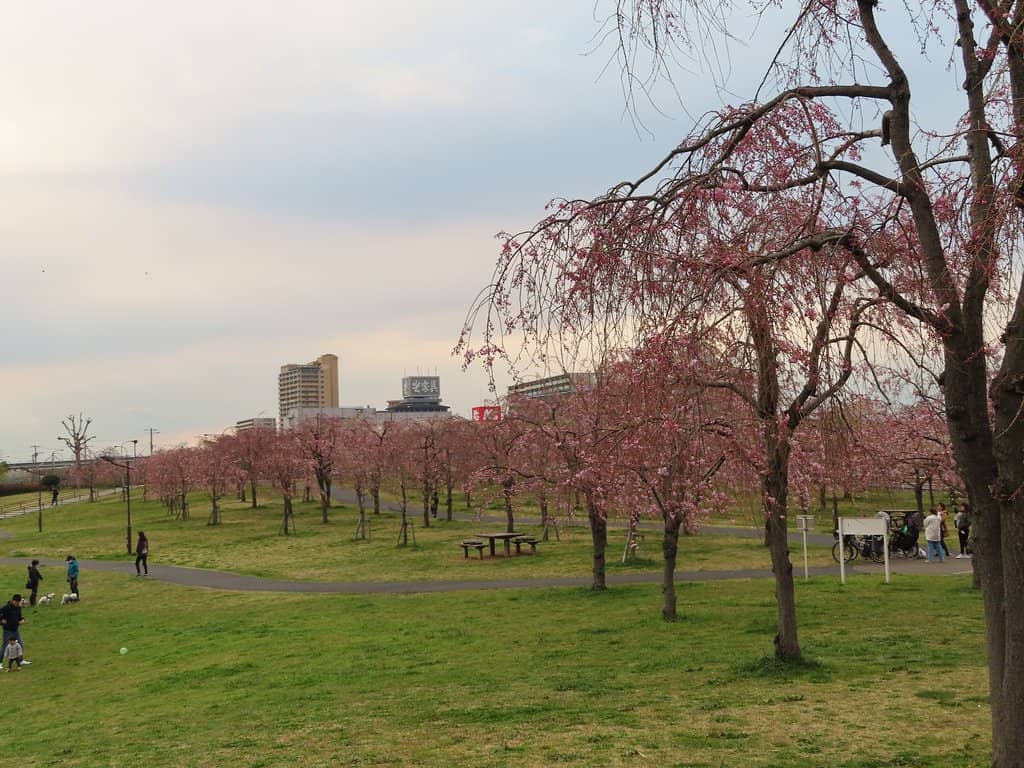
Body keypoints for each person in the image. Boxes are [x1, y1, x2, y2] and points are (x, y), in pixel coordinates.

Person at [0, 594, 29, 665]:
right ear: (13, 601)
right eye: (17, 602)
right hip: (7, 630)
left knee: (20, 644)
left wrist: (22, 620)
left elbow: (19, 617)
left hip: (15, 630)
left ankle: (20, 660)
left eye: (19, 603)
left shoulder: (19, 608)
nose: (18, 604)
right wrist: (1, 620)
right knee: (5, 646)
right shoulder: (6, 607)